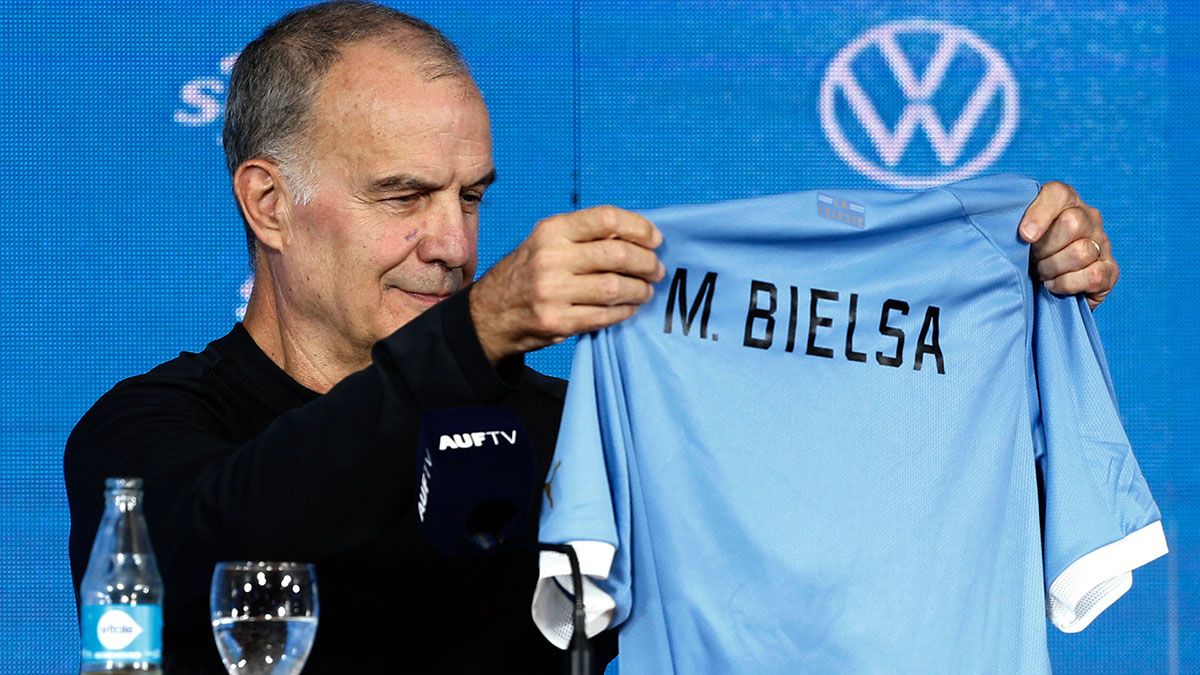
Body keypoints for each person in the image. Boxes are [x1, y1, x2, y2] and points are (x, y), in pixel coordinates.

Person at [64, 2, 1122, 673]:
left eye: (472, 197)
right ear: (269, 203)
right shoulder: (144, 434)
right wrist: (476, 334)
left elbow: (856, 545)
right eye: (404, 196)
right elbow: (231, 526)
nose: (452, 244)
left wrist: (1016, 334)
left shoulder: (577, 436)